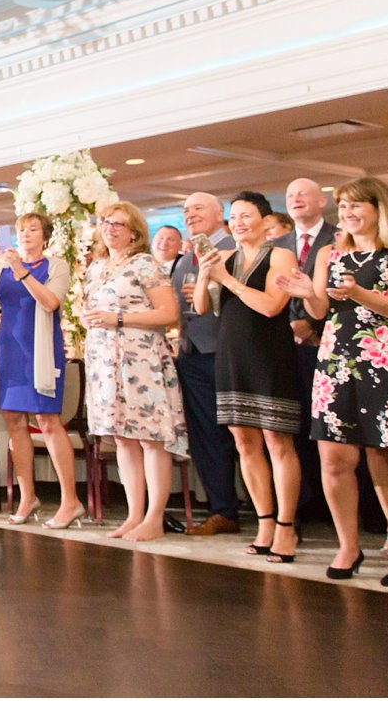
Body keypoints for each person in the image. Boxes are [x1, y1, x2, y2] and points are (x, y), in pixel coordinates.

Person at [278, 176, 388, 586]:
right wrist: (306, 292)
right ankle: (348, 545)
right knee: (334, 458)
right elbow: (320, 311)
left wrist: (356, 292)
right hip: (337, 361)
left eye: (356, 205)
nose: (348, 213)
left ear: (379, 208)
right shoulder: (330, 254)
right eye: (343, 206)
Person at [195, 192, 301, 561]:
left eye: (247, 215)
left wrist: (229, 280)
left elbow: (272, 306)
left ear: (265, 220)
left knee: (277, 440)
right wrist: (206, 273)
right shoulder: (224, 258)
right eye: (234, 217)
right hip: (230, 355)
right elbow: (202, 307)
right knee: (244, 442)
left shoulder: (281, 255)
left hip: (269, 355)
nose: (238, 223)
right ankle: (265, 521)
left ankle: (287, 527)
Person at [0, 212, 82, 528]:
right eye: (21, 230)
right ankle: (27, 495)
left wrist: (22, 271)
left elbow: (50, 303)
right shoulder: (1, 267)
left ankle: (71, 501)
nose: (26, 234)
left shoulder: (55, 266)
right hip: (10, 350)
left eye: (32, 229)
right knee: (14, 420)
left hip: (42, 350)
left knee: (47, 420)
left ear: (44, 236)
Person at [81, 201, 186, 542]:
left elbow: (168, 312)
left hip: (141, 360)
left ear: (135, 233)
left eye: (119, 224)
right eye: (106, 223)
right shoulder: (96, 268)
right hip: (105, 361)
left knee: (151, 437)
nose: (110, 229)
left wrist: (120, 319)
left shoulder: (145, 264)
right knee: (123, 439)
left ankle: (155, 517)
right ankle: (134, 514)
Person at [171, 192, 241, 536]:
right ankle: (222, 508)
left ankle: (276, 512)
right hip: (192, 353)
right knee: (206, 437)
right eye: (186, 210)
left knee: (247, 435)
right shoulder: (186, 258)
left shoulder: (235, 248)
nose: (190, 214)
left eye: (198, 208)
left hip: (229, 351)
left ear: (219, 213)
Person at [278, 177, 337, 523]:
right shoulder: (281, 244)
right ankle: (307, 501)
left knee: (331, 429)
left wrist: (312, 325)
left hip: (328, 344)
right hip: (288, 349)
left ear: (322, 201)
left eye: (303, 194)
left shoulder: (337, 239)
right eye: (290, 194)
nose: (295, 199)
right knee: (297, 425)